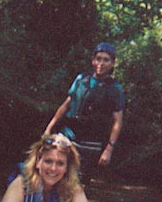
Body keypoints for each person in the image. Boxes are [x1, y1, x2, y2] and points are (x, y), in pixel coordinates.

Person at [43, 42, 124, 182]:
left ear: (112, 63)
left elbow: (118, 121)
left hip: (91, 141)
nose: (101, 63)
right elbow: (65, 105)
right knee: (54, 172)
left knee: (76, 183)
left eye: (106, 60)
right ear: (93, 60)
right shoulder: (81, 80)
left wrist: (109, 149)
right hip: (69, 134)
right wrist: (48, 129)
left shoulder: (115, 89)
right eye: (98, 59)